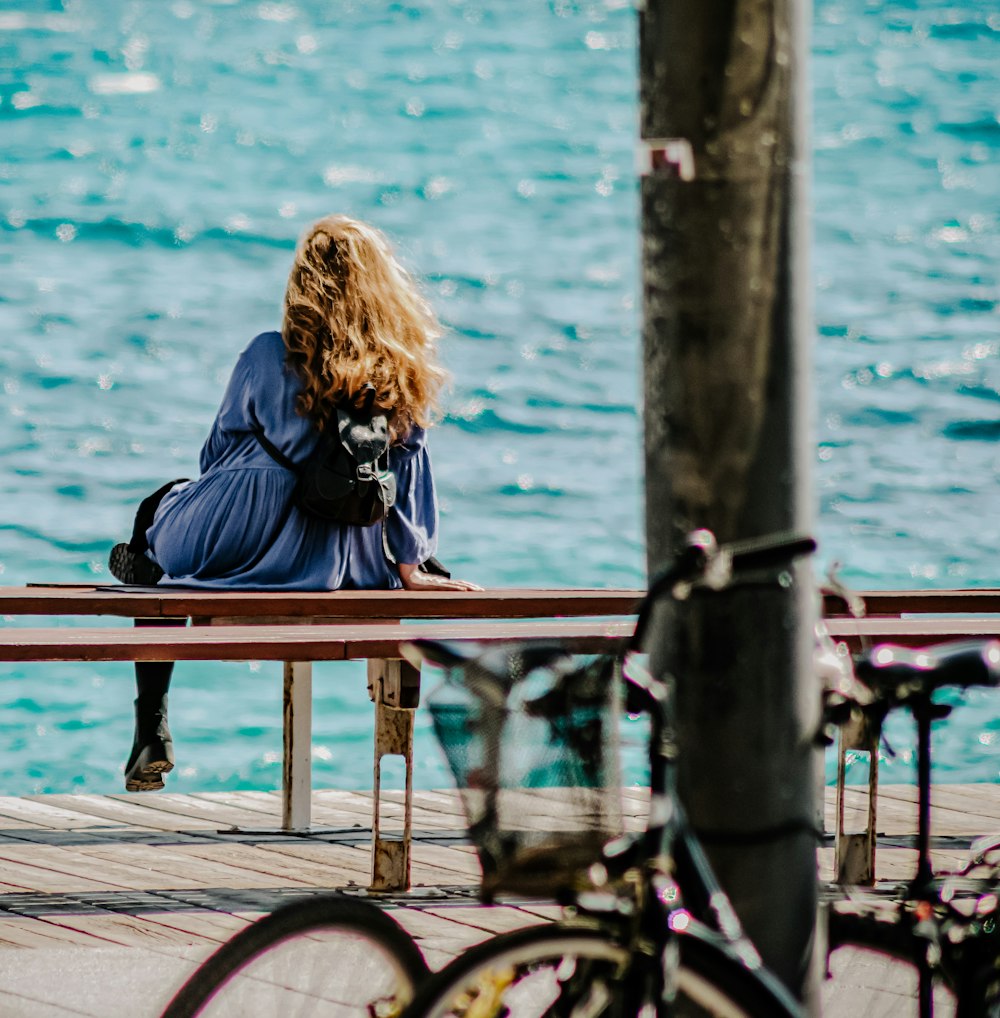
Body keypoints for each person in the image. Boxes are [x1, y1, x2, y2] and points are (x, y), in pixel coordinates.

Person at [108, 214, 481, 793]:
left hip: (245, 542)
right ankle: (152, 570)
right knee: (164, 532)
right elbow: (410, 475)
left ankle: (150, 722)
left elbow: (215, 456)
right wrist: (410, 568)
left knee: (155, 512)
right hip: (345, 562)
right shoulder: (399, 372)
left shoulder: (266, 354)